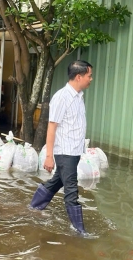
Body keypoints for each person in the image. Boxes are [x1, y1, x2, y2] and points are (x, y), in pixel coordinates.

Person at [30, 60, 93, 235]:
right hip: (65, 152)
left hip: (74, 151)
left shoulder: (78, 97)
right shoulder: (62, 97)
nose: (91, 79)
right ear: (79, 77)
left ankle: (34, 207)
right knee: (71, 190)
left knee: (57, 181)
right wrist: (49, 156)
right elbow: (52, 127)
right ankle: (80, 231)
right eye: (89, 76)